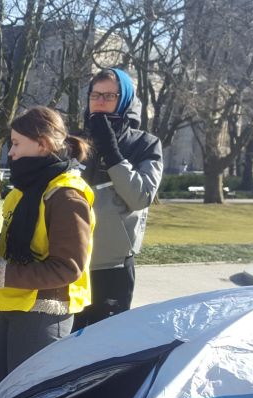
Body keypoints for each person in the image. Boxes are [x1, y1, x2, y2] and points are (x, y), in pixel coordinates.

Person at [0, 107, 95, 398]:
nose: (11, 152)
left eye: (16, 143)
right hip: (14, 304)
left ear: (42, 144)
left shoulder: (66, 195)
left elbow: (68, 267)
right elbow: (23, 245)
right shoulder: (24, 190)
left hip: (44, 313)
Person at [73, 68, 162, 330]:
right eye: (95, 95)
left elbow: (141, 197)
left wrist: (112, 153)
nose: (100, 101)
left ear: (124, 100)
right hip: (70, 261)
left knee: (105, 344)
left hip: (112, 267)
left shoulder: (145, 144)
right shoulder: (74, 142)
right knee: (64, 345)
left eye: (109, 96)